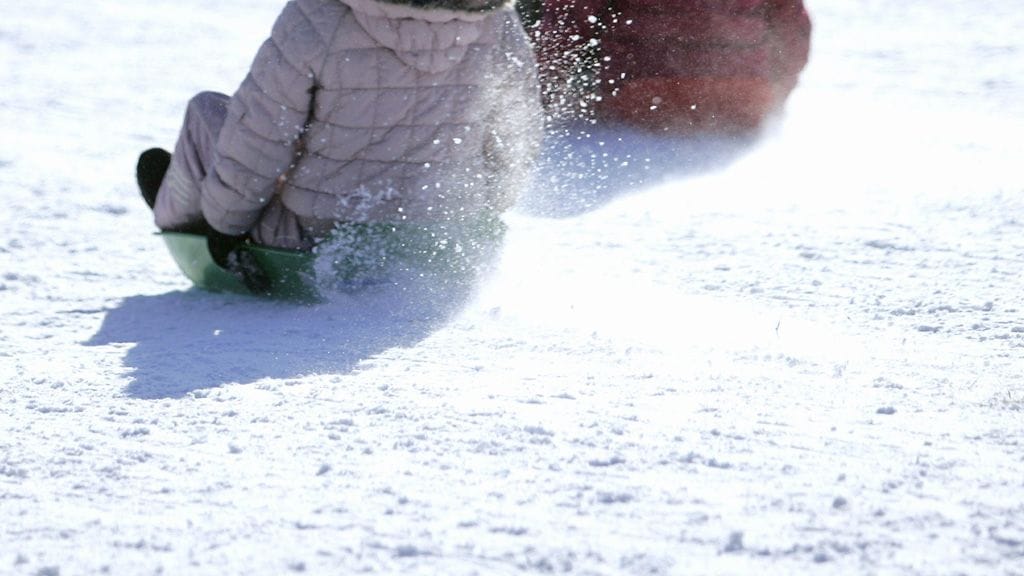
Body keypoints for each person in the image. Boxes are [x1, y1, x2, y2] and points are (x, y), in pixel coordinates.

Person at [137, 0, 543, 287]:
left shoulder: (318, 15)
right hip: (437, 237)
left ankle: (180, 208)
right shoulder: (498, 23)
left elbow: (260, 136)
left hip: (316, 241)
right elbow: (515, 139)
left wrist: (227, 227)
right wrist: (479, 214)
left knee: (207, 112)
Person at [532, 0, 811, 133]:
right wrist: (777, 95)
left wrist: (541, 101)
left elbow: (564, 26)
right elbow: (793, 31)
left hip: (642, 95)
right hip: (746, 98)